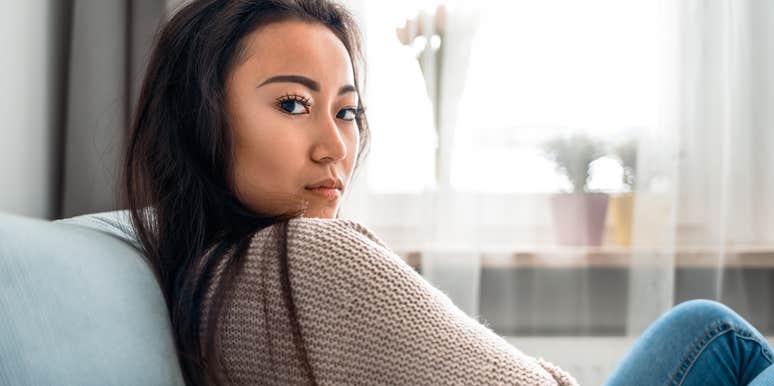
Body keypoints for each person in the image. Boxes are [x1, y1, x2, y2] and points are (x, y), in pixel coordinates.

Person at [121, 1, 774, 385]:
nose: (334, 146)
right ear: (200, 115)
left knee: (698, 327)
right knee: (715, 333)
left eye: (346, 112)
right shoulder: (304, 256)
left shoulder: (202, 274)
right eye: (294, 104)